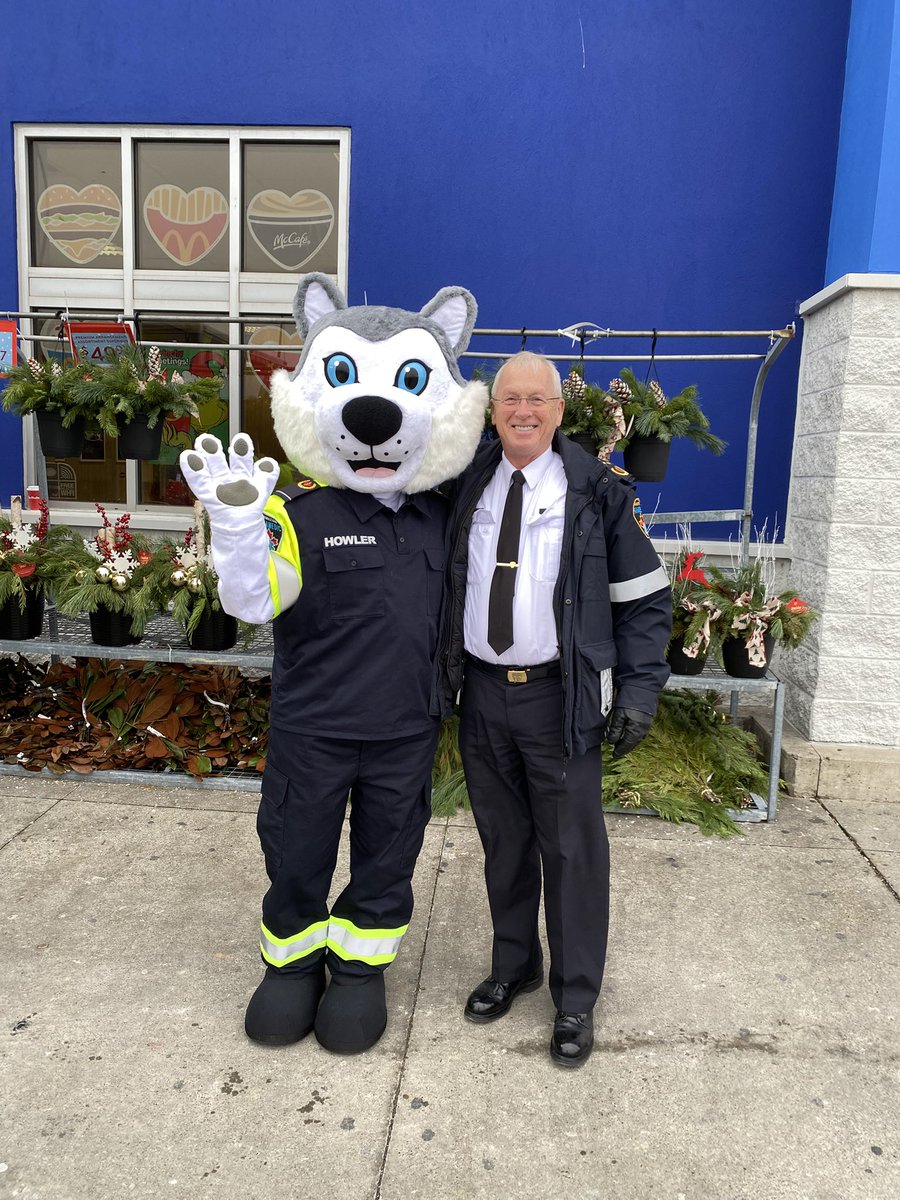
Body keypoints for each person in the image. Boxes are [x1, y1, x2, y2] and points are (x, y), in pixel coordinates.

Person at [181, 273, 486, 1055]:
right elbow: (256, 598)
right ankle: (291, 964)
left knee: (389, 855)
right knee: (297, 848)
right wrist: (238, 525)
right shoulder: (300, 515)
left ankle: (357, 970)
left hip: (404, 729)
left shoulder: (439, 517)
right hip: (314, 729)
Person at [439, 350, 671, 1068]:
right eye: (510, 399)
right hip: (481, 693)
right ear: (492, 409)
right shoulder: (466, 482)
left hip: (557, 697)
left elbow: (644, 601)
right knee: (504, 844)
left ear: (560, 411)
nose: (524, 411)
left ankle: (575, 997)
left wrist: (637, 692)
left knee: (571, 852)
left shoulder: (596, 490)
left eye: (537, 398)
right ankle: (516, 965)